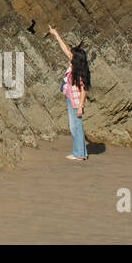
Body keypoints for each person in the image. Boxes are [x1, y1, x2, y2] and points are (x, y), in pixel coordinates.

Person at [49, 25, 89, 161]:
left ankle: (79, 154)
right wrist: (56, 34)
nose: (69, 54)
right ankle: (81, 152)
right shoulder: (74, 66)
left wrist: (80, 106)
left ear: (76, 58)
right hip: (70, 99)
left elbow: (84, 91)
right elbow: (64, 49)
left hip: (76, 102)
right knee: (76, 126)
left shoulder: (80, 72)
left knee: (75, 126)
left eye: (72, 54)